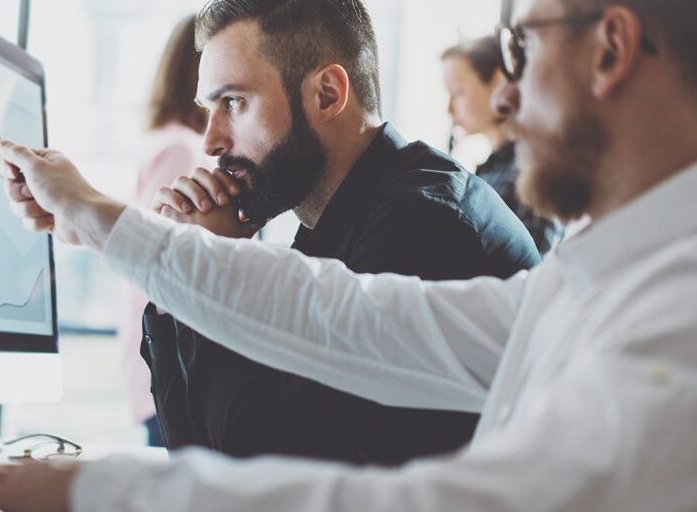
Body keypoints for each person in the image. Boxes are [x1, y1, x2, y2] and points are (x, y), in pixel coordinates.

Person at [0, 0, 697, 510]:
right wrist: (105, 222)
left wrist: (98, 490)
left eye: (522, 50)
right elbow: (343, 315)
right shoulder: (595, 278)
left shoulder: (694, 311)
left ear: (611, 48)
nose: (504, 100)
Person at [137, 0, 538, 466]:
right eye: (211, 108)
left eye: (234, 102)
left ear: (327, 94)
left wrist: (209, 269)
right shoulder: (328, 228)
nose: (211, 140)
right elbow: (196, 461)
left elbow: (267, 472)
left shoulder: (426, 227)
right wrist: (176, 289)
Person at [117, 14, 210, 448]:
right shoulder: (184, 150)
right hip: (173, 366)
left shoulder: (169, 142)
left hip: (158, 362)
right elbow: (166, 258)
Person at [442, 35, 565, 255]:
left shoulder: (530, 171)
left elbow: (532, 264)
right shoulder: (491, 169)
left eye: (458, 93)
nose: (450, 109)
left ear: (498, 81)